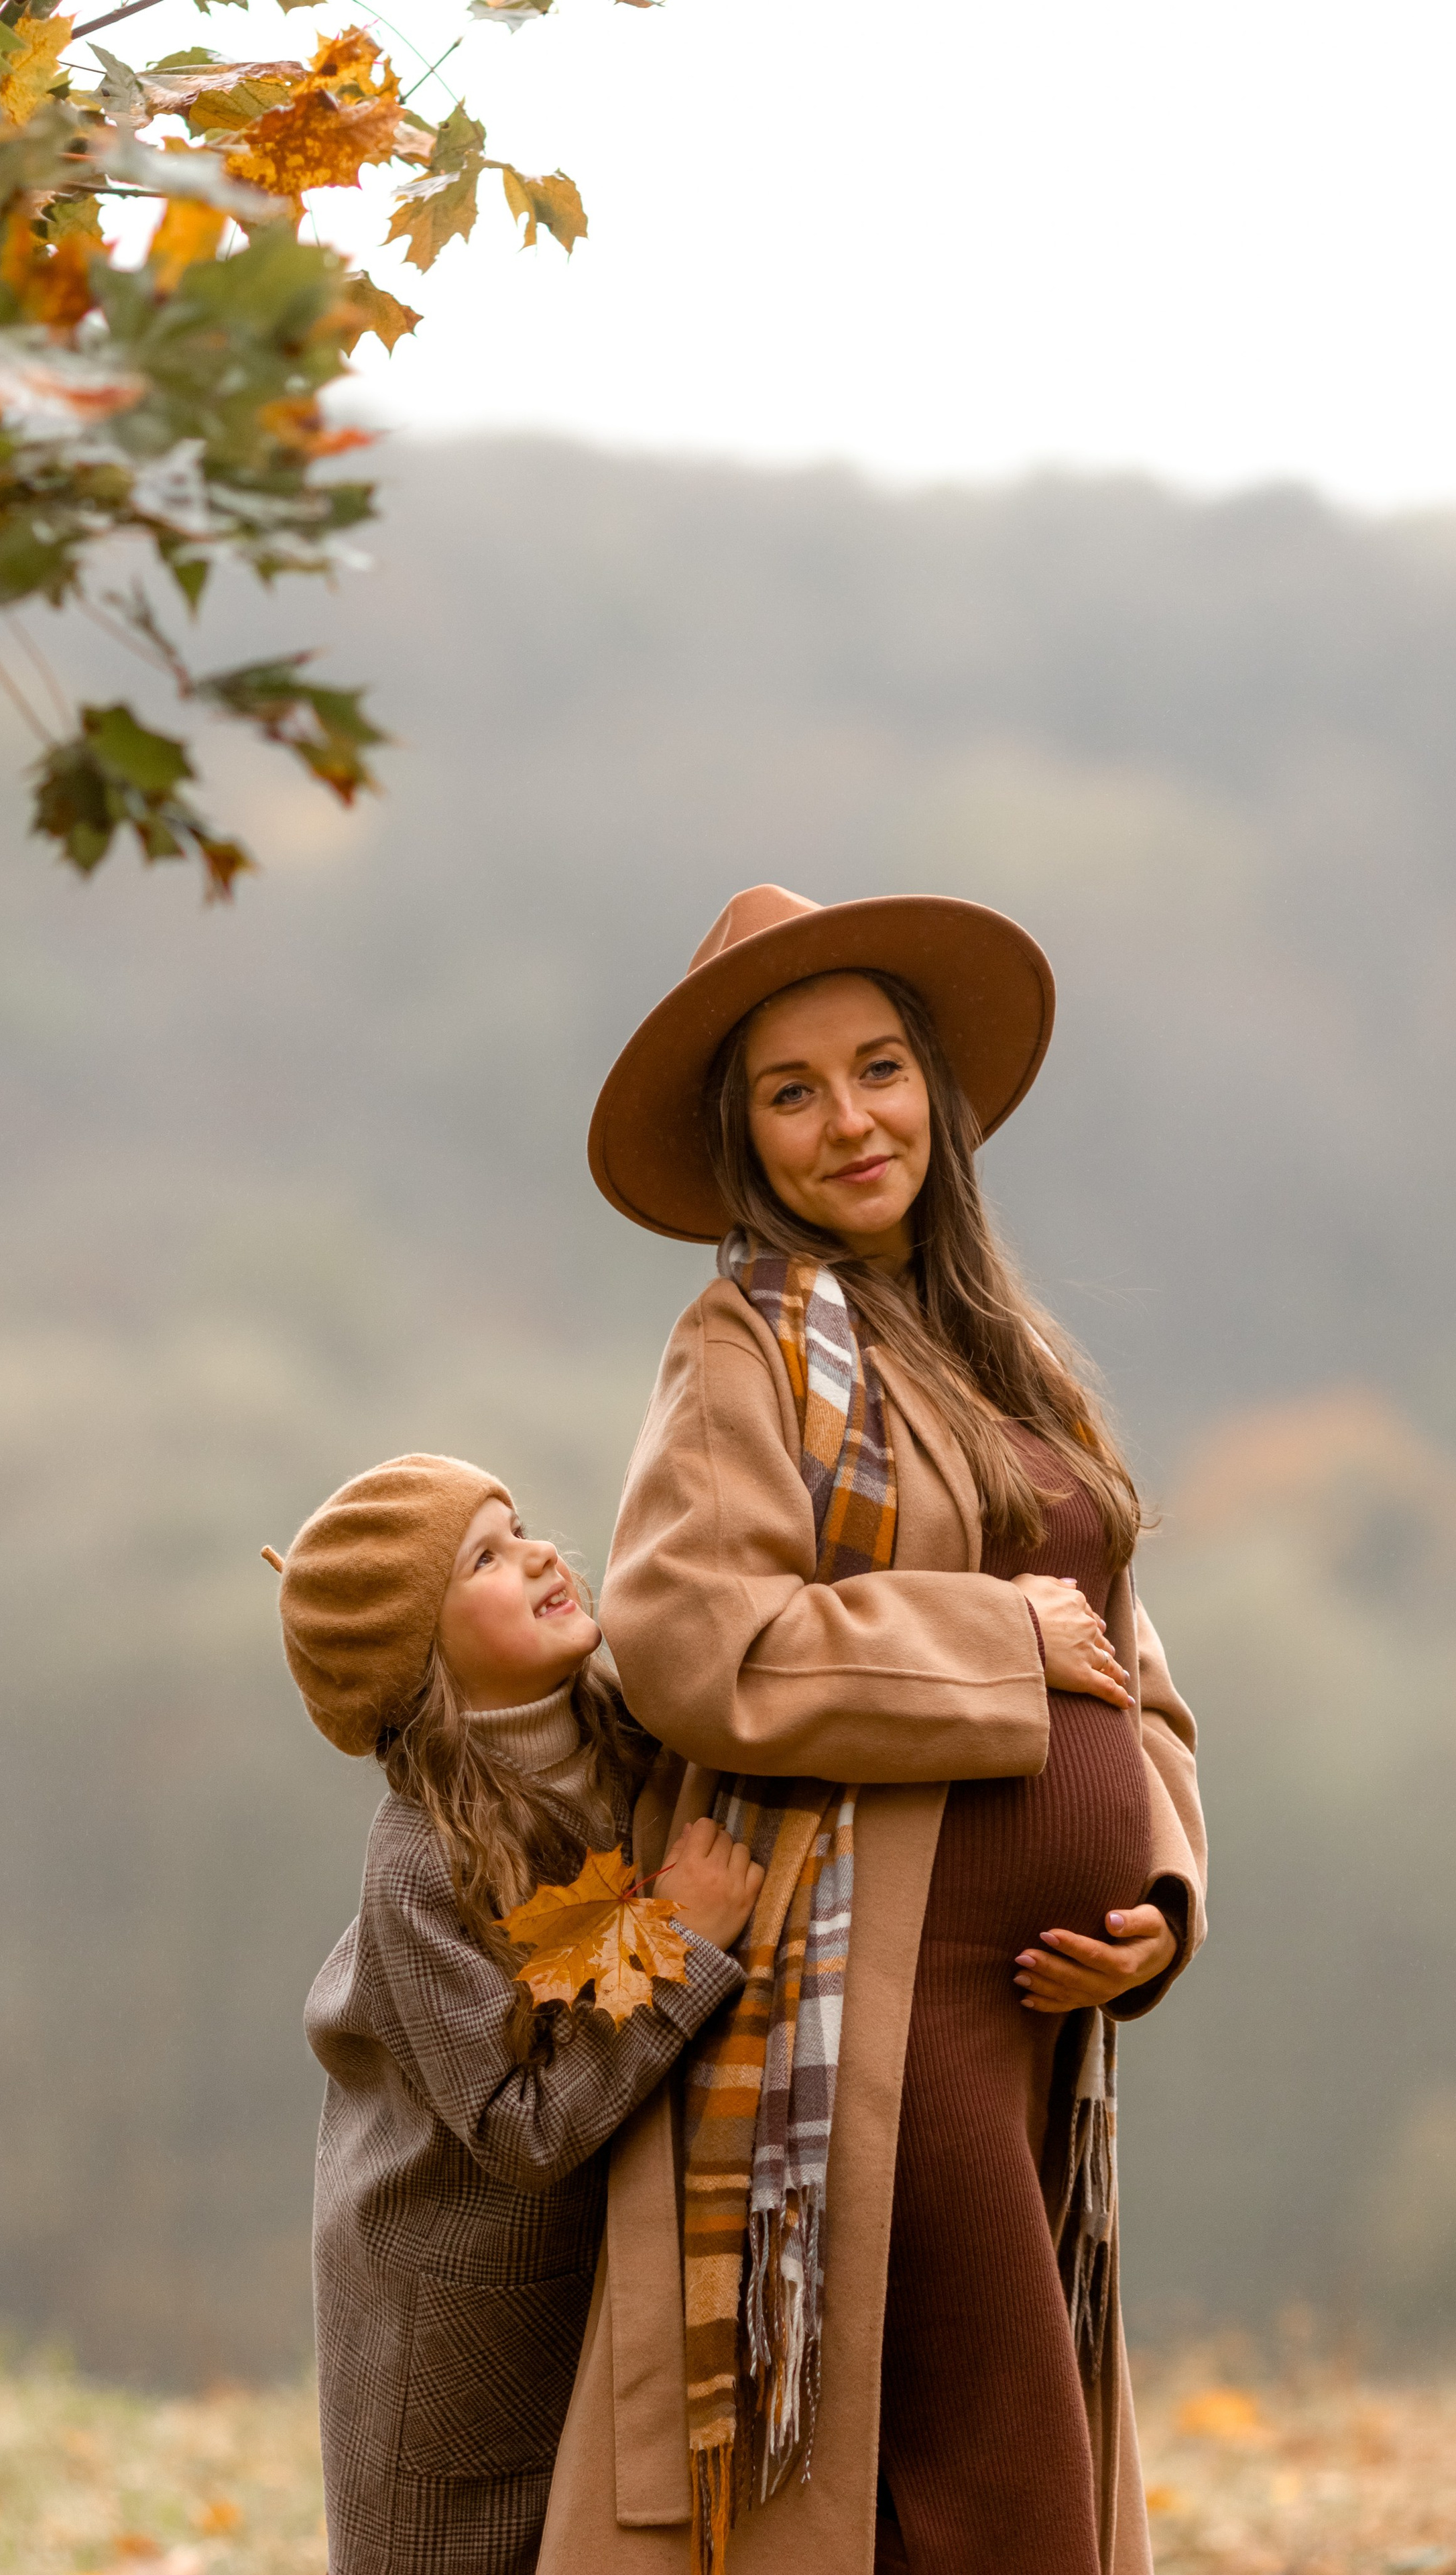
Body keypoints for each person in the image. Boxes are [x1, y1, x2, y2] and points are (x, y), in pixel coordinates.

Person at [538, 886, 1207, 2575]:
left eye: (880, 1069)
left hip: (1037, 2021)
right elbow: (698, 1642)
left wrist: (1161, 1899)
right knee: (1003, 2494)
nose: (850, 1120)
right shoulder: (743, 1348)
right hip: (875, 2013)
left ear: (935, 1094)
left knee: (971, 2480)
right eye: (793, 1091)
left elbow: (1127, 1662)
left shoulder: (1007, 1359)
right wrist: (993, 1639)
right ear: (744, 1139)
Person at [265, 1452, 763, 2575]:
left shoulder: (635, 1737)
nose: (540, 1554)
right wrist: (679, 1945)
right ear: (419, 1658)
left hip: (592, 2303)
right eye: (484, 1559)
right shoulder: (418, 1869)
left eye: (520, 1526)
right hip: (451, 2345)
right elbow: (519, 2126)